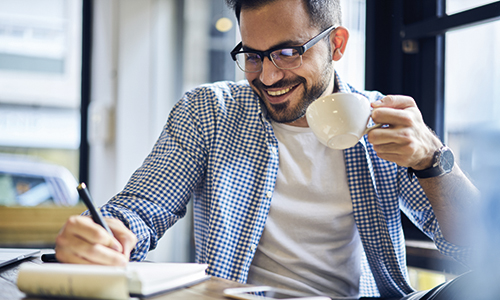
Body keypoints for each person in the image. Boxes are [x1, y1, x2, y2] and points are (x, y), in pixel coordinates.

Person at [55, 0, 480, 298]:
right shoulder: (209, 112)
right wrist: (104, 234)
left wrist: (432, 161)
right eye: (253, 55)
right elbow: (141, 210)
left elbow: (478, 248)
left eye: (288, 52)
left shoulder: (382, 122)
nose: (269, 77)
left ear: (337, 44)